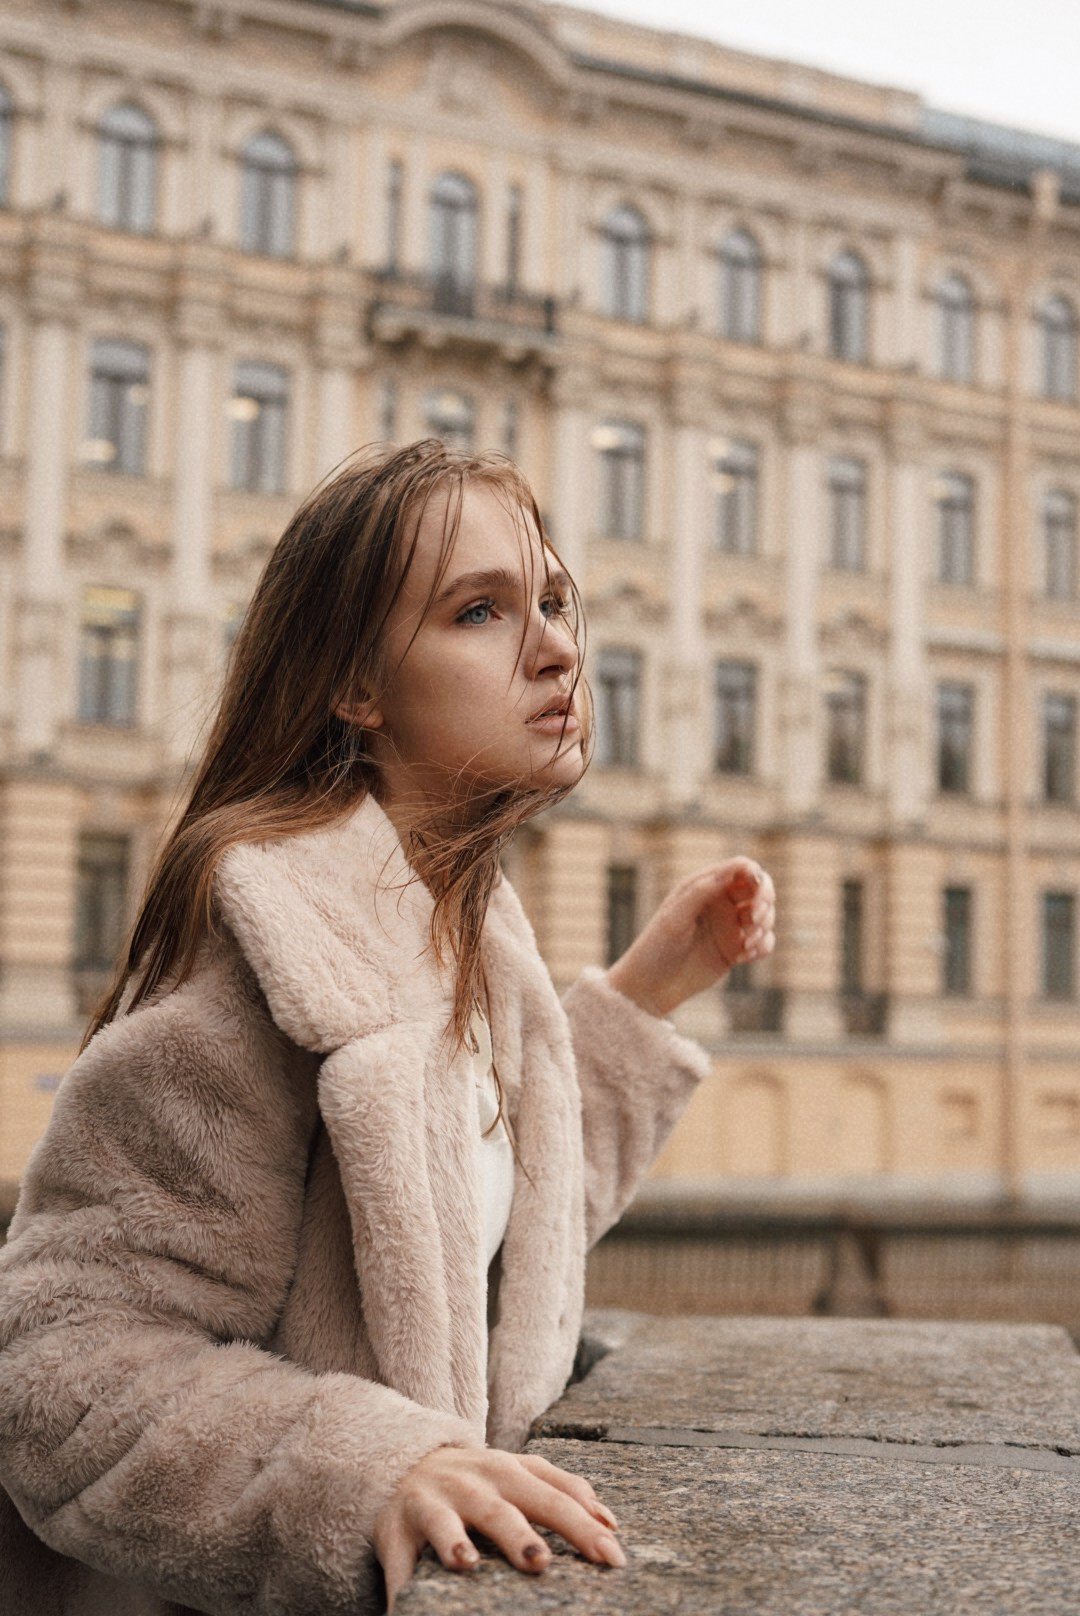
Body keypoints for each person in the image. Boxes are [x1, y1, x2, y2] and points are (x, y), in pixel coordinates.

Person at [0, 440, 776, 1616]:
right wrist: (370, 1469)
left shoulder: (464, 925)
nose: (558, 645)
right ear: (356, 686)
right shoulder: (267, 946)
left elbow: (481, 1235)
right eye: (481, 610)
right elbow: (59, 1364)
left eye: (556, 600)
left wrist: (642, 997)